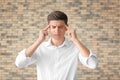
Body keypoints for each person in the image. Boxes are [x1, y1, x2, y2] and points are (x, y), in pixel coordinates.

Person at [15, 11, 98, 80]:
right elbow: (19, 63)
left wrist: (75, 40)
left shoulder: (75, 48)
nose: (56, 30)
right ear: (49, 28)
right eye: (53, 27)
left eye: (60, 27)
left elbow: (93, 64)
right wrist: (39, 41)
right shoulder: (40, 48)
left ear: (66, 28)